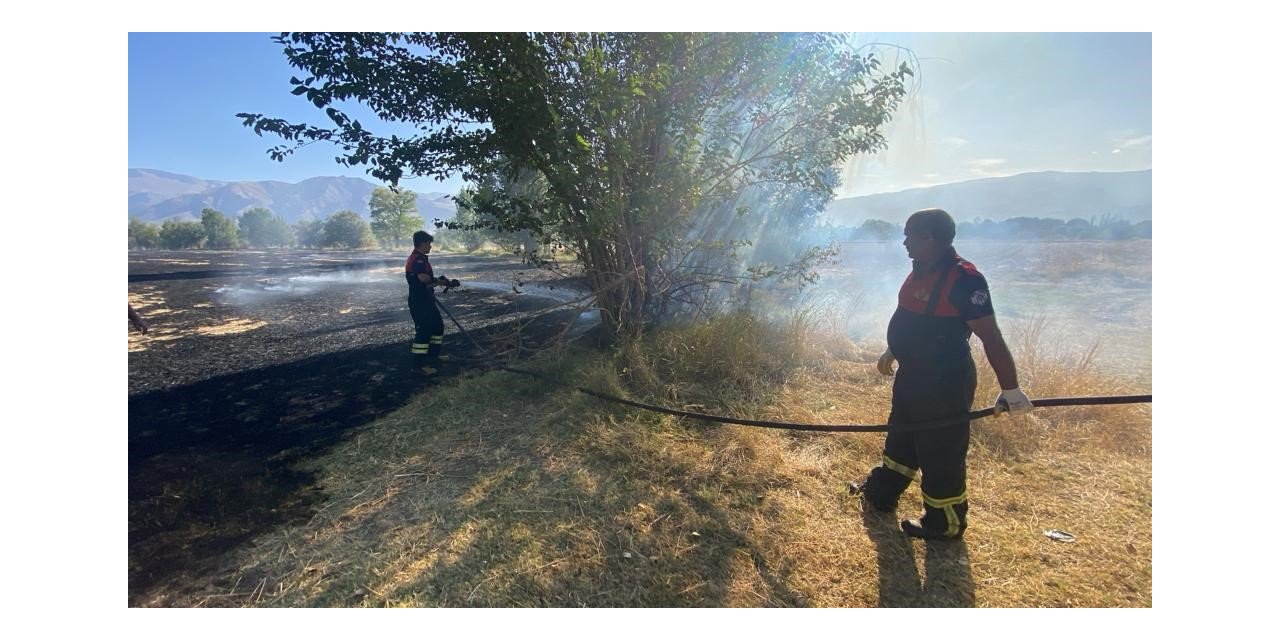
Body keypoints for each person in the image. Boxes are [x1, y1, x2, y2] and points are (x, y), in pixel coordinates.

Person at [853, 208, 1034, 540]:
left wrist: (1011, 389)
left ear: (929, 238)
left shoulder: (965, 280)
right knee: (901, 435)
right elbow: (913, 320)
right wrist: (894, 349)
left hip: (944, 382)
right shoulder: (921, 269)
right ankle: (883, 492)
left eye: (909, 235)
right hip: (913, 375)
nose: (904, 242)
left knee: (940, 450)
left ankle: (945, 522)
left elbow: (991, 337)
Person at [405, 231, 450, 374]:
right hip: (419, 301)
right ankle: (418, 366)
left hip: (426, 299)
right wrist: (439, 281)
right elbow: (423, 278)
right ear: (423, 243)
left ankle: (433, 357)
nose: (430, 246)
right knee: (424, 331)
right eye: (429, 243)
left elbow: (427, 282)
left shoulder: (422, 258)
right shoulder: (417, 259)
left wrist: (445, 283)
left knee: (437, 326)